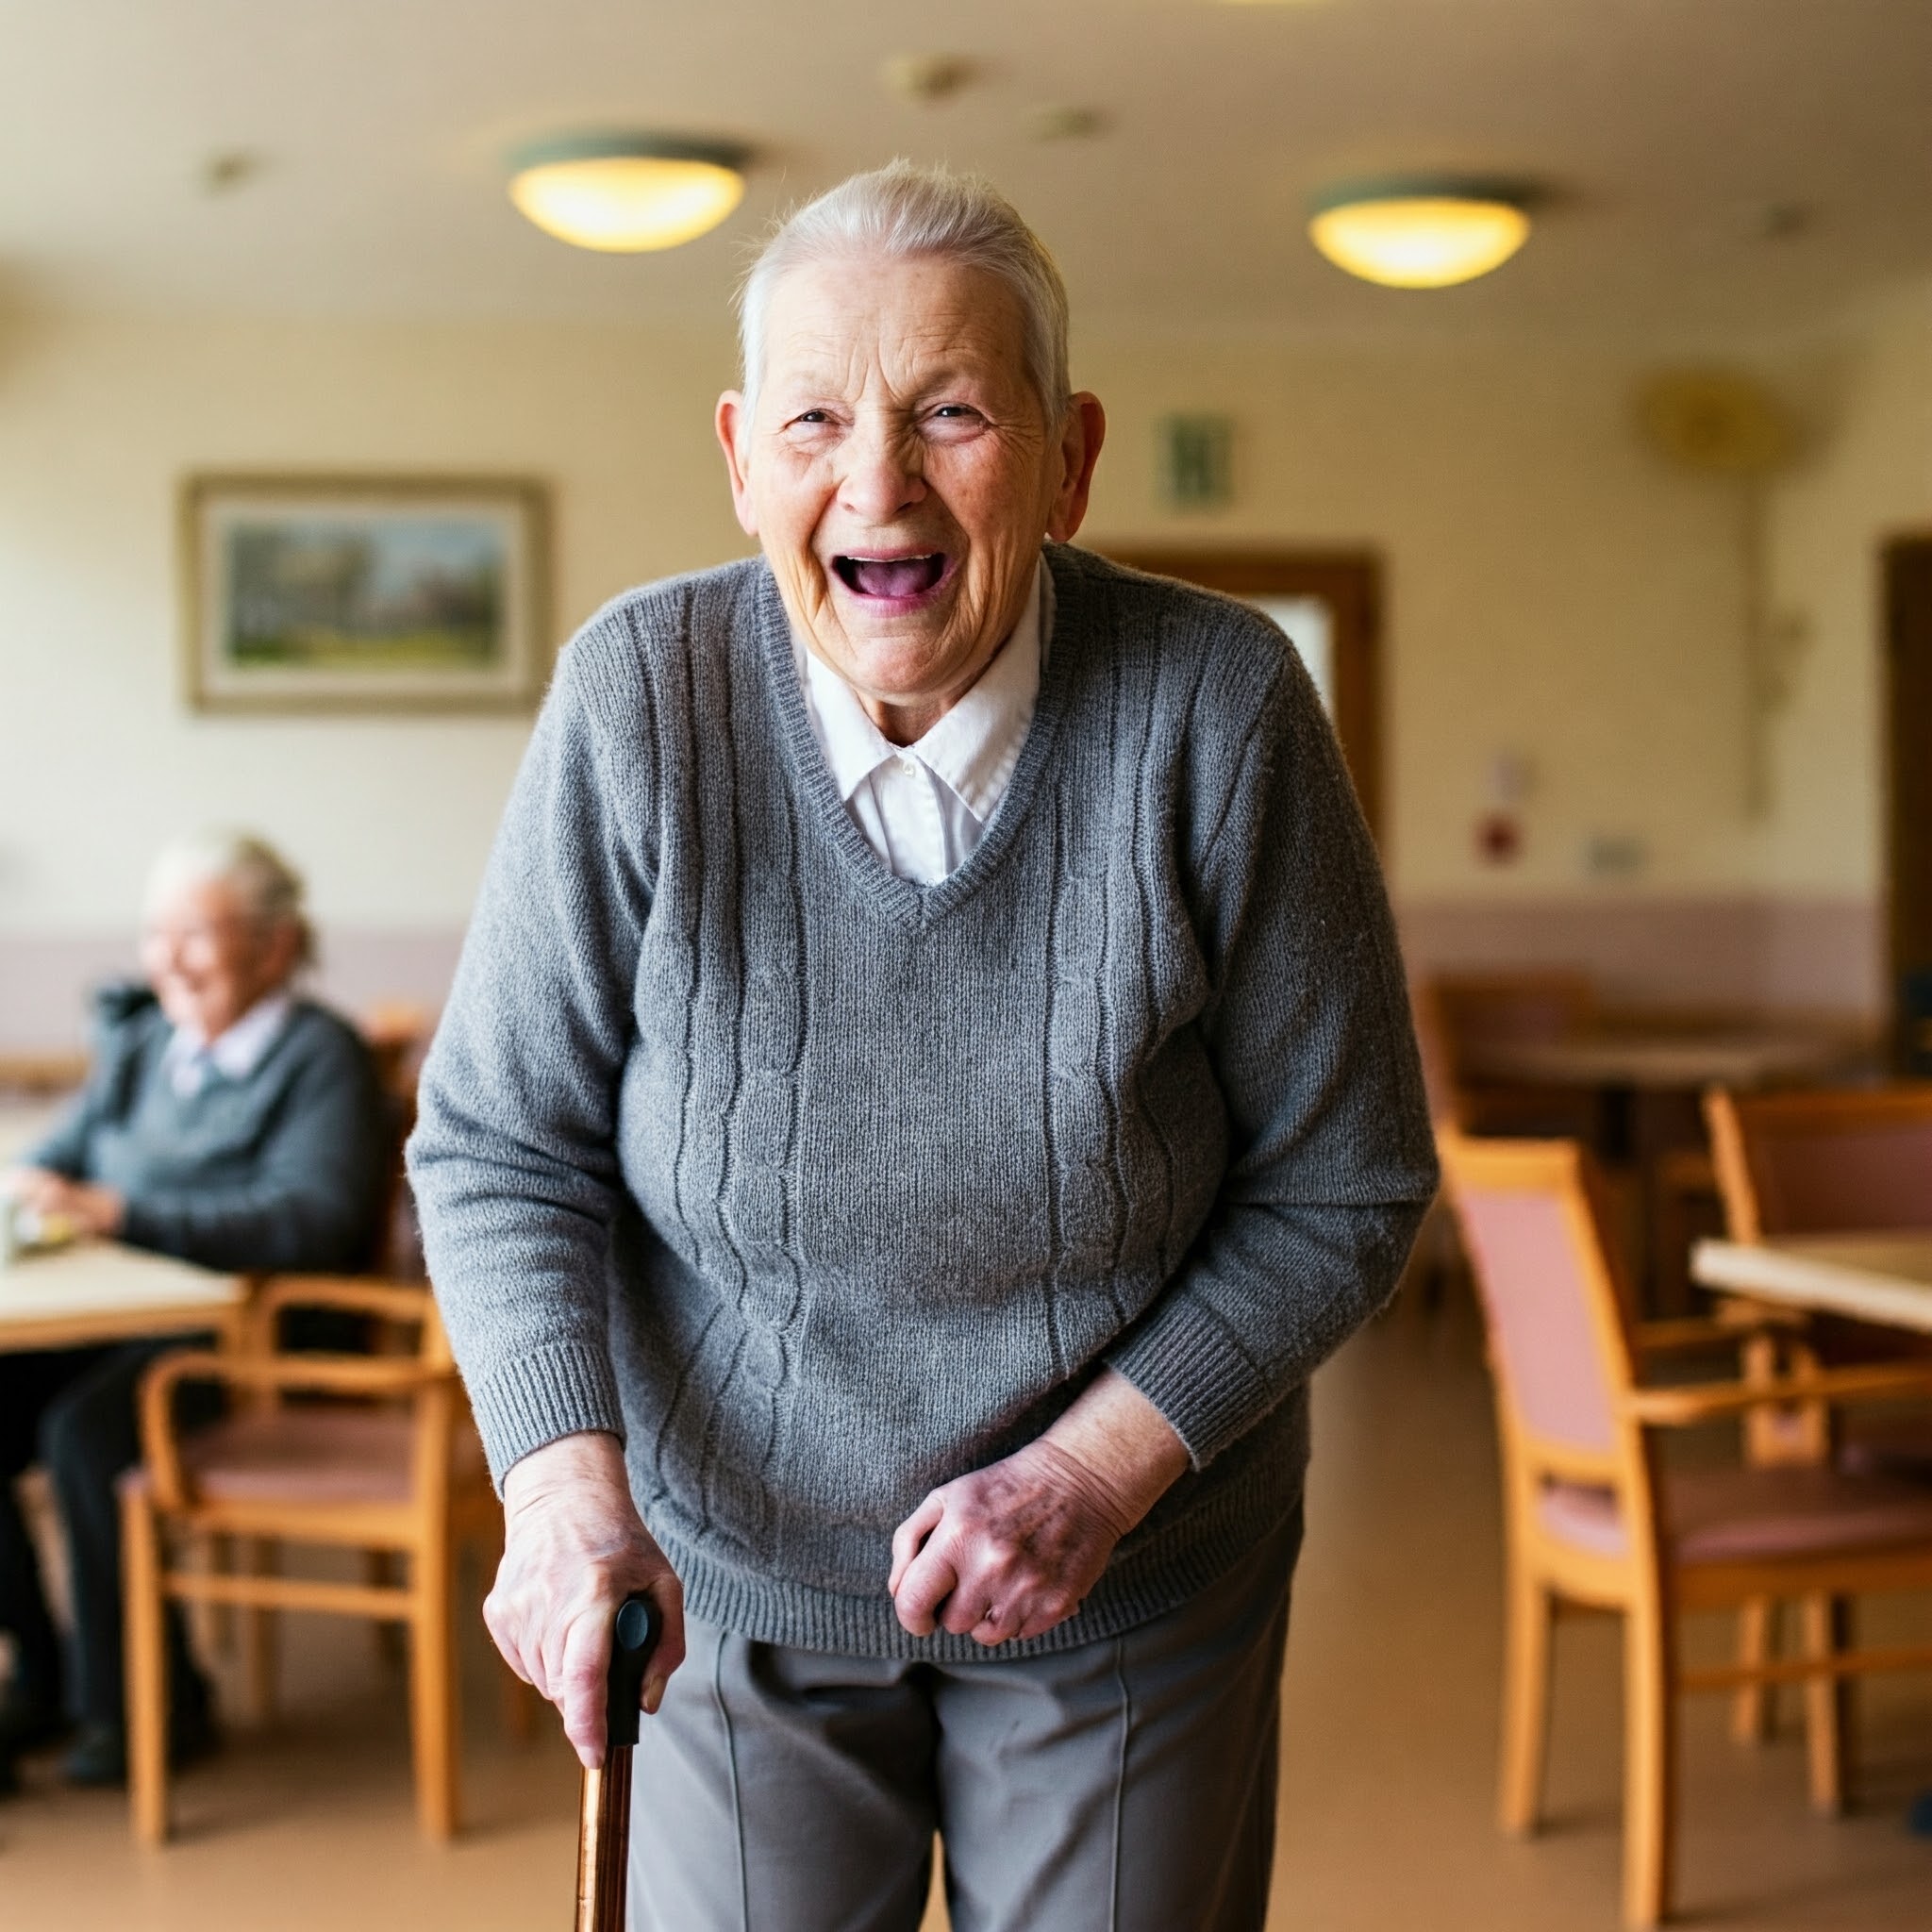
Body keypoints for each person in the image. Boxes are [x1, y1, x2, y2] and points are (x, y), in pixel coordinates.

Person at [408, 161, 1437, 1931]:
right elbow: (501, 1141)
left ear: (1066, 455)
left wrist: (1085, 1472)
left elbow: (1346, 1180)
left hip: (1130, 1569)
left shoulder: (1216, 706)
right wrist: (564, 1491)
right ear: (740, 458)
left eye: (950, 411)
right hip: (724, 1554)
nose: (873, 481)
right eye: (813, 418)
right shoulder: (639, 699)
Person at [0, 831, 388, 1790]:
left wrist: (122, 1210)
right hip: (129, 1315)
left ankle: (151, 1708)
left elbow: (310, 1214)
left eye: (194, 934)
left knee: (84, 1432)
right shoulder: (144, 1045)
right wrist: (38, 1183)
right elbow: (60, 1154)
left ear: (274, 942)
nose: (167, 958)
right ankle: (41, 1676)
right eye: (155, 933)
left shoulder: (318, 1054)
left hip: (259, 1331)